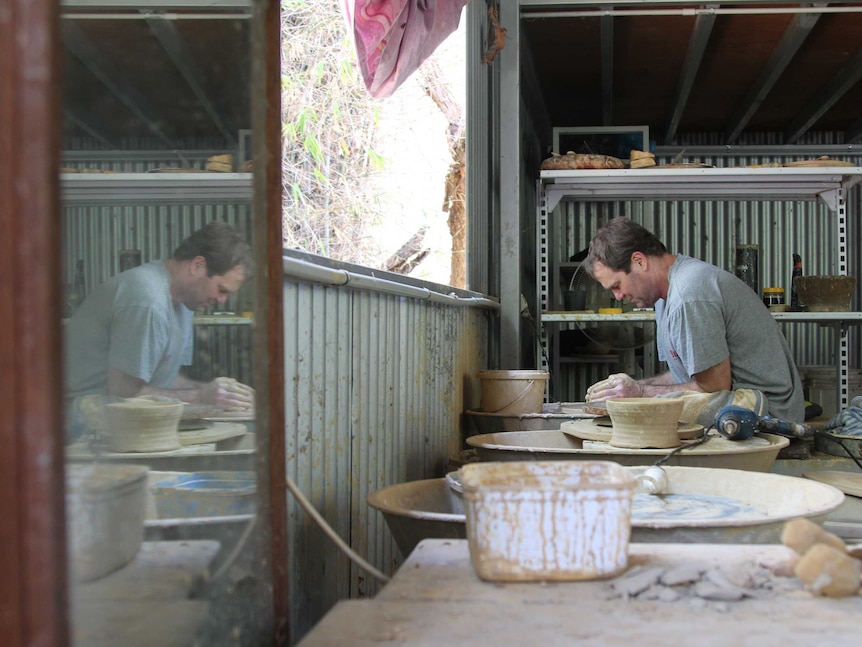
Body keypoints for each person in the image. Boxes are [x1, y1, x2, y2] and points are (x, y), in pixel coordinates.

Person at [583, 217, 805, 423]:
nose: (618, 297)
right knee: (642, 405)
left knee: (647, 413)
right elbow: (686, 375)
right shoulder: (665, 298)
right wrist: (631, 387)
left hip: (771, 410)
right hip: (733, 396)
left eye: (617, 285)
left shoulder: (688, 294)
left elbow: (713, 388)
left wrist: (640, 393)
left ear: (639, 261)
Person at [64, 221, 255, 441]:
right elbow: (124, 392)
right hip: (79, 414)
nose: (222, 301)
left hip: (120, 405)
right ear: (198, 266)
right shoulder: (148, 301)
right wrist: (201, 396)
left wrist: (218, 392)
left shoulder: (184, 302)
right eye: (222, 290)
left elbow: (164, 378)